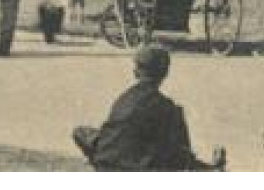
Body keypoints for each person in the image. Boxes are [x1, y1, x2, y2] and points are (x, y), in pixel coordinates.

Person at [73, 44, 225, 171]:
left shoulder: (124, 99)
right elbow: (181, 154)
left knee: (82, 132)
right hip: (138, 168)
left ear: (135, 72)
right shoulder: (169, 108)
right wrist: (208, 168)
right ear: (165, 73)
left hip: (106, 162)